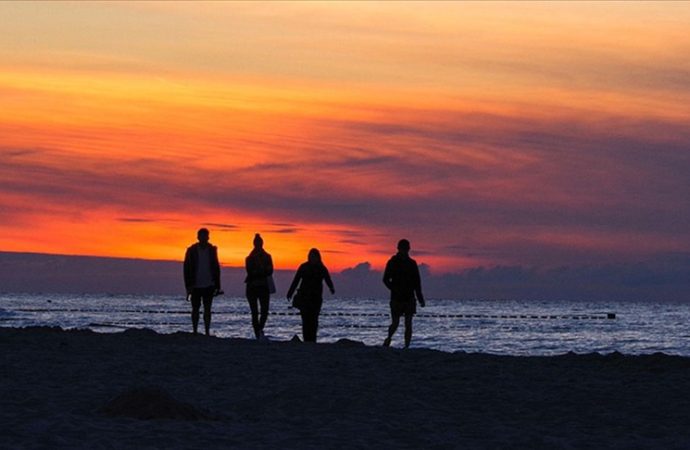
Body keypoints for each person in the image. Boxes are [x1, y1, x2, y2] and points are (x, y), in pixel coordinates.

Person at [382, 239, 425, 348]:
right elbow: (385, 279)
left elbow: (417, 282)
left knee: (408, 324)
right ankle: (389, 338)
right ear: (399, 249)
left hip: (409, 297)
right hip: (396, 298)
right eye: (403, 248)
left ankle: (407, 346)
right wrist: (394, 289)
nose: (405, 251)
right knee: (395, 323)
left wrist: (420, 299)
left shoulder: (412, 263)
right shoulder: (392, 262)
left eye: (406, 248)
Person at [286, 248, 335, 343]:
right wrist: (290, 292)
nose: (312, 258)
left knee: (314, 320)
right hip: (304, 297)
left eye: (314, 256)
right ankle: (306, 340)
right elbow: (296, 280)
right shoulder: (304, 267)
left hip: (316, 298)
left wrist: (331, 288)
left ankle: (312, 339)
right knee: (305, 320)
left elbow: (327, 278)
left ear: (318, 257)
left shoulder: (321, 268)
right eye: (310, 256)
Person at [183, 228, 221, 336]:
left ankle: (207, 331)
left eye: (205, 236)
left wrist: (218, 285)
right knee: (195, 308)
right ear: (198, 237)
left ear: (208, 237)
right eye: (202, 236)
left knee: (207, 309)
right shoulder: (191, 250)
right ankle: (195, 330)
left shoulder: (212, 250)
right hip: (195, 285)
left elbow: (216, 267)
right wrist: (188, 286)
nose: (204, 238)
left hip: (209, 284)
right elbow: (186, 269)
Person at [244, 233, 274, 340]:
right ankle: (258, 334)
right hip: (252, 287)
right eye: (256, 243)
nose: (258, 245)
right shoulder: (249, 258)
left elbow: (270, 271)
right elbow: (251, 272)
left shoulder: (267, 256)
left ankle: (259, 330)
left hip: (263, 287)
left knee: (264, 312)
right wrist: (262, 271)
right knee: (255, 312)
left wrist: (260, 271)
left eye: (259, 243)